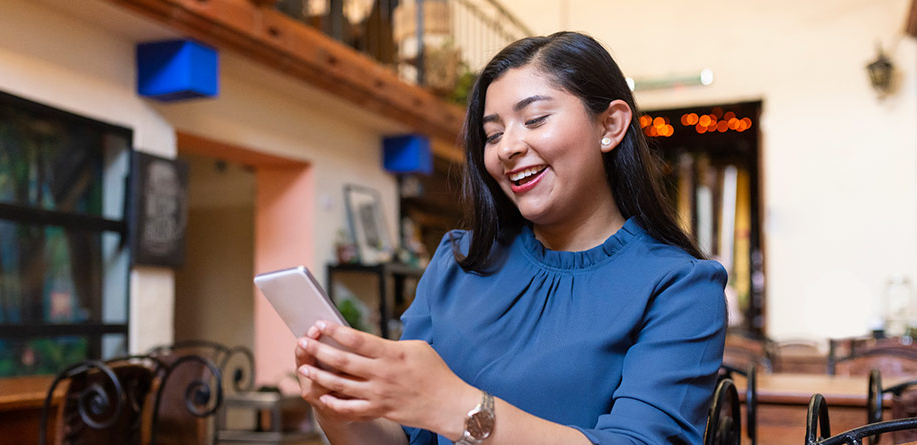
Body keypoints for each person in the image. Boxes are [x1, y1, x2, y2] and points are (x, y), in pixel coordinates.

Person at [294, 31, 728, 444]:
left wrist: (454, 404)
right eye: (493, 134)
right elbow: (404, 438)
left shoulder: (680, 287)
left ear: (610, 126)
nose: (506, 148)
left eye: (535, 119)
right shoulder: (459, 261)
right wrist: (338, 406)